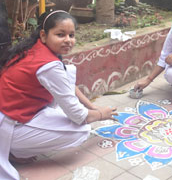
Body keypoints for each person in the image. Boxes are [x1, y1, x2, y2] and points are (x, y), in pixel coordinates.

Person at [0, 10, 118, 180]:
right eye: (60, 34)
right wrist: (100, 114)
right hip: (8, 123)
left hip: (13, 114)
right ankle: (14, 149)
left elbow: (66, 84)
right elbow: (78, 116)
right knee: (82, 130)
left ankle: (16, 146)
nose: (68, 40)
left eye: (71, 35)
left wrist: (92, 106)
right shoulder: (49, 65)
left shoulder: (35, 49)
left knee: (68, 74)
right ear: (43, 35)